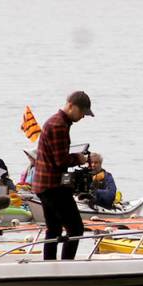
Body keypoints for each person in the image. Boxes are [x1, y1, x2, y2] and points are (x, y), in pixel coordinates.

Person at [34, 91, 93, 260]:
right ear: (71, 106)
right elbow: (61, 161)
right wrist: (79, 158)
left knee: (53, 229)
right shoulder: (59, 125)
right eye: (82, 112)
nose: (82, 117)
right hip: (53, 186)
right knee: (75, 229)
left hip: (43, 185)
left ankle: (49, 265)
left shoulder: (56, 122)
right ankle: (68, 265)